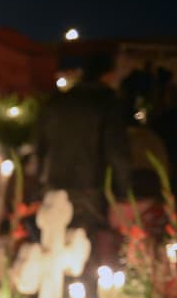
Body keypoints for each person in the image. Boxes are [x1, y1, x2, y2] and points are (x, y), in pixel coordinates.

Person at [35, 51, 133, 268]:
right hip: (92, 194)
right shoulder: (107, 103)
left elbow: (39, 152)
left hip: (53, 190)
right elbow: (118, 154)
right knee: (86, 256)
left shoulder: (56, 103)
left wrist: (38, 189)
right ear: (110, 71)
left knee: (54, 254)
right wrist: (125, 196)